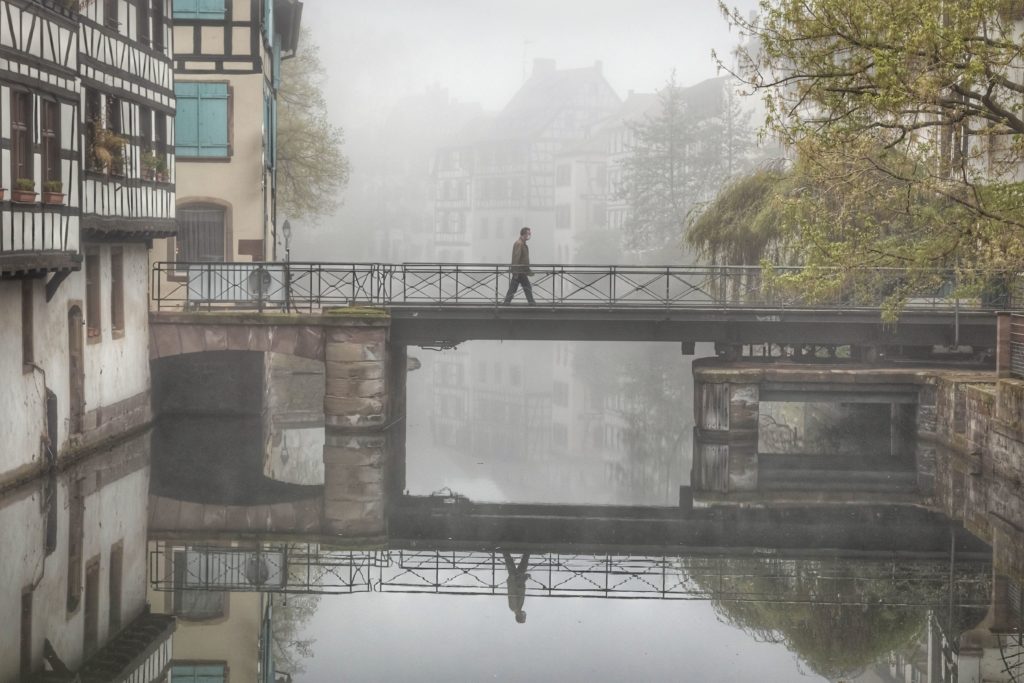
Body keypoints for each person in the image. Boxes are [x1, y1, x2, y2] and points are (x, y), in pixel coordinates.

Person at [503, 226, 535, 304]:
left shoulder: (522, 243)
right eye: (528, 233)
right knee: (526, 287)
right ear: (524, 234)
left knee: (514, 289)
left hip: (521, 271)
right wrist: (515, 271)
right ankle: (532, 304)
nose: (530, 235)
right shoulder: (519, 244)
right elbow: (516, 258)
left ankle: (506, 303)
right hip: (519, 271)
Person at [503, 551, 531, 623]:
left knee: (510, 561)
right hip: (517, 579)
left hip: (515, 579)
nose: (525, 615)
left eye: (524, 617)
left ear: (520, 616)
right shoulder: (517, 607)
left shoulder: (514, 607)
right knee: (523, 562)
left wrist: (523, 578)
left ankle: (503, 546)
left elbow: (513, 591)